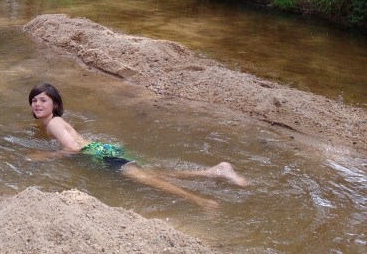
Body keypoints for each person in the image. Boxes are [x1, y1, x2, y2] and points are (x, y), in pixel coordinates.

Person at [28, 82, 248, 209]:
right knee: (154, 174)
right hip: (106, 150)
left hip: (102, 155)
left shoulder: (54, 123)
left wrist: (44, 156)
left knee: (149, 180)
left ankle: (200, 201)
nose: (37, 104)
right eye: (34, 100)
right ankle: (216, 171)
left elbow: (73, 149)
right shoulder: (51, 123)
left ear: (55, 104)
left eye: (43, 100)